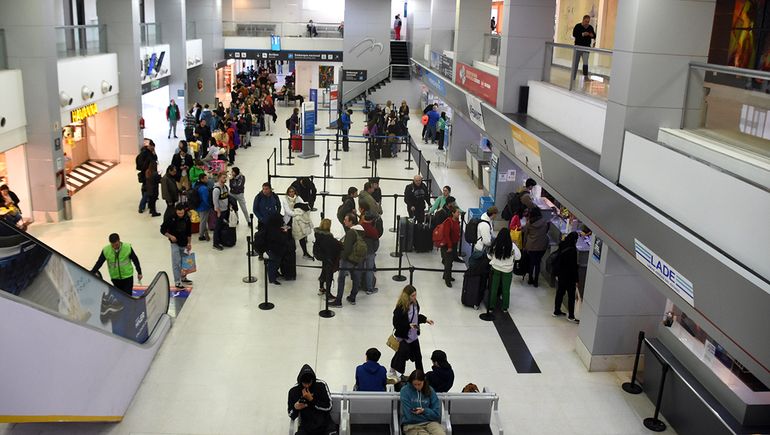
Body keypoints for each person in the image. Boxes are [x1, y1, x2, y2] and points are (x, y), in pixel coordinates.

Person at [390, 285, 434, 378]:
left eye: (415, 295)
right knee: (401, 357)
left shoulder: (415, 304)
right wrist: (408, 325)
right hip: (404, 337)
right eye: (413, 295)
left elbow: (416, 316)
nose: (415, 297)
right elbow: (396, 323)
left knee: (418, 357)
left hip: (413, 336)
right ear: (407, 296)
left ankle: (420, 375)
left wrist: (425, 320)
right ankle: (396, 373)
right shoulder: (400, 308)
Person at [287, 364, 337, 435]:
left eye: (309, 383)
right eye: (304, 383)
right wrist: (295, 408)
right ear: (300, 381)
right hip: (306, 427)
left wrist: (312, 400)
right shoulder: (294, 391)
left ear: (313, 380)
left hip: (325, 425)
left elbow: (329, 406)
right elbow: (291, 414)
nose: (307, 386)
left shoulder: (321, 385)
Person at [329, 213, 365, 307]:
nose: (344, 221)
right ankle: (353, 297)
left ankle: (338, 301)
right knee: (356, 279)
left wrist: (341, 257)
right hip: (359, 259)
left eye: (346, 220)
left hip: (348, 260)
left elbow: (347, 249)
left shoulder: (351, 233)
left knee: (341, 279)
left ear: (351, 222)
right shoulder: (362, 230)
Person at [399, 370, 445, 435]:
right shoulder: (405, 391)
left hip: (430, 423)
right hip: (411, 425)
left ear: (424, 381)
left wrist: (424, 411)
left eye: (419, 384)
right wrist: (428, 414)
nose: (417, 387)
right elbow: (409, 416)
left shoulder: (430, 390)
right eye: (415, 384)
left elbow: (436, 414)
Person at [488, 228, 522, 313]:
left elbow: (489, 256)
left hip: (496, 268)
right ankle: (505, 307)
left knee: (494, 288)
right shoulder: (512, 246)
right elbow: (518, 257)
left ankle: (491, 306)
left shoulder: (495, 244)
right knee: (506, 289)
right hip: (507, 270)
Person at [160, 203, 193, 289]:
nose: (180, 215)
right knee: (176, 262)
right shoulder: (170, 218)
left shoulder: (187, 218)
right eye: (179, 213)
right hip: (174, 243)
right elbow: (162, 230)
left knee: (185, 262)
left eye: (182, 213)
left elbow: (189, 232)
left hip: (184, 242)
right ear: (176, 211)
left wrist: (189, 243)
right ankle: (177, 281)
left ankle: (183, 277)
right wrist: (170, 236)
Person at [554, 231, 580, 323]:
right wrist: (576, 279)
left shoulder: (562, 245)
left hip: (561, 274)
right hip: (569, 277)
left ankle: (556, 310)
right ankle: (571, 316)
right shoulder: (572, 250)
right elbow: (573, 267)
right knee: (571, 296)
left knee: (560, 293)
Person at [282, 186, 314, 260]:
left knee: (301, 236)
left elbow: (303, 206)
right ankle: (289, 252)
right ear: (288, 192)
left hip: (298, 220)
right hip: (289, 220)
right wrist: (297, 213)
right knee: (289, 237)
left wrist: (298, 212)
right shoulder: (285, 199)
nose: (291, 193)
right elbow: (288, 211)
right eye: (290, 192)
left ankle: (305, 253)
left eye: (292, 191)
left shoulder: (298, 198)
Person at [313, 218, 342, 297]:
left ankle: (321, 288)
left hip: (321, 255)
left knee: (323, 271)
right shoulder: (328, 237)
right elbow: (333, 247)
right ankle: (328, 293)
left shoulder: (318, 234)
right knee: (329, 274)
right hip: (328, 257)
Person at [522, 206, 549, 287]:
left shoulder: (529, 223)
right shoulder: (545, 222)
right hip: (542, 246)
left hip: (531, 246)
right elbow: (546, 231)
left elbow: (525, 235)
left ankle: (530, 279)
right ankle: (536, 281)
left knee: (531, 262)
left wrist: (524, 246)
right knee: (538, 263)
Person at [436, 206, 461, 287]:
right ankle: (447, 279)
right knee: (448, 263)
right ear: (453, 213)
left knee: (450, 262)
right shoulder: (448, 222)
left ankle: (446, 276)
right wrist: (450, 247)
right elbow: (447, 235)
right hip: (447, 245)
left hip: (453, 244)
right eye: (457, 212)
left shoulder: (456, 221)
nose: (459, 214)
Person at [136, 138, 157, 214]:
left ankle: (147, 204)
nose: (153, 149)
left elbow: (155, 158)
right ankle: (142, 206)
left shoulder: (150, 152)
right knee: (147, 191)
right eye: (152, 148)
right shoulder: (144, 153)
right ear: (149, 146)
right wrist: (147, 170)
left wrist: (154, 153)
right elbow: (143, 165)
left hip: (149, 174)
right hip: (147, 175)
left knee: (146, 190)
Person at [572, 14, 596, 79]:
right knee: (576, 62)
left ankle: (585, 77)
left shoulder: (590, 27)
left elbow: (594, 35)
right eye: (586, 21)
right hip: (578, 47)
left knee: (585, 63)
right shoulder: (577, 26)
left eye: (588, 22)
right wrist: (582, 34)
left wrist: (592, 35)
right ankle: (573, 77)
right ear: (583, 20)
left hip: (586, 47)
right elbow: (574, 34)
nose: (587, 23)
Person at [211, 172, 230, 251]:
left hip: (225, 210)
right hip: (219, 212)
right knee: (217, 227)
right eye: (223, 178)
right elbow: (215, 202)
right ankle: (215, 243)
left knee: (222, 226)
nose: (225, 179)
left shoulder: (225, 187)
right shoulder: (216, 189)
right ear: (219, 178)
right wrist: (218, 211)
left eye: (225, 177)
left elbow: (227, 197)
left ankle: (221, 240)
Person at [194, 173, 212, 241]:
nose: (207, 179)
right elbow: (206, 199)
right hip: (204, 207)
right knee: (203, 221)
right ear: (202, 179)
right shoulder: (204, 188)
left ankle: (204, 232)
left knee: (202, 220)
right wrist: (210, 205)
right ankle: (201, 236)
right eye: (206, 178)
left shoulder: (195, 184)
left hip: (197, 206)